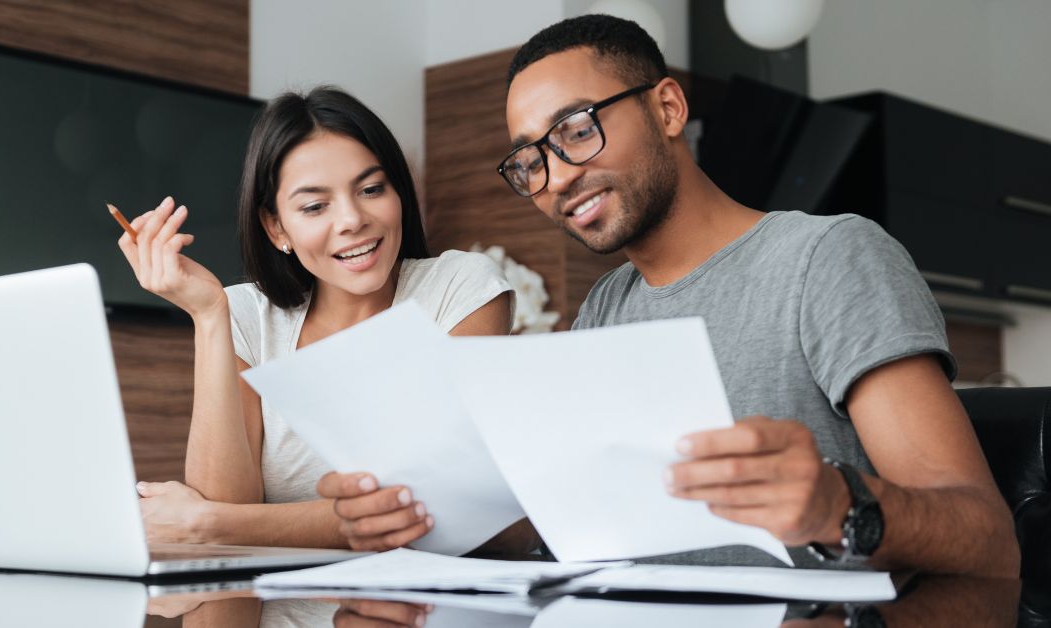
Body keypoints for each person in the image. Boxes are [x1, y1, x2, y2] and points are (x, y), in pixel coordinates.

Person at [321, 15, 1019, 575]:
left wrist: (839, 503)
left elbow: (987, 538)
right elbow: (571, 530)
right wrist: (415, 516)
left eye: (575, 131)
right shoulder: (604, 307)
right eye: (530, 161)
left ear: (667, 107)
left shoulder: (828, 258)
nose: (556, 177)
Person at [118, 87, 524, 552]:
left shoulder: (460, 289)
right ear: (276, 228)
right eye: (315, 206)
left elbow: (435, 508)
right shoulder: (246, 314)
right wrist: (209, 317)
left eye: (372, 189)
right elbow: (225, 501)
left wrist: (212, 524)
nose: (352, 219)